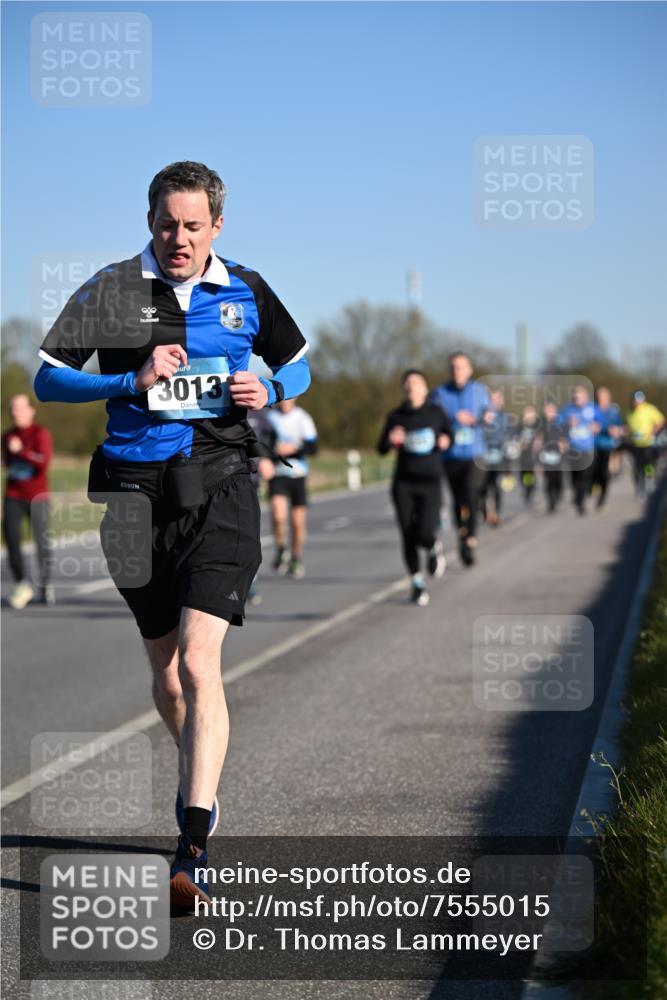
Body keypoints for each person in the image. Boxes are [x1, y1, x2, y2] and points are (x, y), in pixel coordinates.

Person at [33, 161, 310, 909]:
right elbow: (48, 379)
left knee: (197, 662)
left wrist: (273, 387)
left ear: (217, 225)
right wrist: (129, 381)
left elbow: (300, 365)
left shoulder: (246, 288)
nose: (178, 238)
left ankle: (192, 842)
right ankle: (201, 776)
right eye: (166, 224)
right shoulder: (112, 288)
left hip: (220, 485)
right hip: (129, 495)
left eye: (192, 226)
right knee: (164, 673)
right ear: (149, 220)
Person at [377, 369, 451, 606]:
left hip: (430, 482)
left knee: (424, 531)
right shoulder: (396, 416)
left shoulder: (436, 413)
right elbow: (380, 449)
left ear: (425, 388)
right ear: (403, 389)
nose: (411, 387)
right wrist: (390, 439)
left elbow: (451, 435)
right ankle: (417, 583)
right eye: (407, 383)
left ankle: (432, 546)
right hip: (404, 484)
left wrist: (445, 440)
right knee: (407, 534)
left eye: (416, 383)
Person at [431, 353, 490, 566]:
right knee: (457, 500)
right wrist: (451, 422)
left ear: (470, 370)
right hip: (451, 456)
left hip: (475, 454)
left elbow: (488, 415)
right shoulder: (439, 393)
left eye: (461, 367)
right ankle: (462, 534)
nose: (457, 371)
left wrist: (480, 419)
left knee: (471, 494)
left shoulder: (480, 391)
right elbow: (431, 418)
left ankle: (471, 540)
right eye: (453, 367)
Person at [2, 394, 54, 607]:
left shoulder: (40, 433)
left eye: (20, 408)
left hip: (37, 496)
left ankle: (44, 583)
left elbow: (43, 462)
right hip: (13, 494)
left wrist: (21, 451)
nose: (16, 413)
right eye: (13, 409)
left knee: (41, 542)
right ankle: (21, 583)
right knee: (11, 537)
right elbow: (6, 462)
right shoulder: (7, 436)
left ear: (31, 410)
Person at [266, 397, 318, 578]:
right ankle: (281, 549)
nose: (286, 402)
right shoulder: (270, 417)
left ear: (295, 398)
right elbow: (261, 443)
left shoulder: (303, 418)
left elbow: (313, 448)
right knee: (278, 516)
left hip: (298, 475)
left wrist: (293, 449)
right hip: (277, 474)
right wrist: (272, 451)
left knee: (297, 523)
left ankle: (296, 557)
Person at [558, 385, 599, 515]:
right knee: (573, 477)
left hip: (587, 449)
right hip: (572, 449)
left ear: (586, 396)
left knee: (585, 476)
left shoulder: (593, 408)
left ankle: (580, 502)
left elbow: (602, 422)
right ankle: (577, 497)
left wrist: (597, 426)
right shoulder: (567, 409)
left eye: (579, 396)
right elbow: (558, 424)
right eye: (575, 396)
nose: (577, 399)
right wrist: (567, 424)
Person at [478, 388, 510, 527]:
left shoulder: (505, 417)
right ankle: (485, 511)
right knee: (483, 487)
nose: (496, 401)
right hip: (483, 457)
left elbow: (508, 437)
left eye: (498, 399)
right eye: (493, 399)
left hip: (499, 458)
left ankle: (496, 513)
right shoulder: (481, 415)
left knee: (496, 486)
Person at [626, 390, 665, 497]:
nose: (636, 403)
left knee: (648, 464)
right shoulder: (630, 412)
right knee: (636, 467)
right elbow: (628, 427)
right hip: (635, 444)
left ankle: (649, 480)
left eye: (638, 400)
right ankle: (639, 486)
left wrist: (652, 431)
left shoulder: (649, 409)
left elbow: (660, 421)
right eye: (635, 400)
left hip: (647, 443)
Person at [591, 386, 624, 510]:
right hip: (593, 445)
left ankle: (602, 500)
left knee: (605, 473)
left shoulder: (613, 412)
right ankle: (594, 486)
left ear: (609, 397)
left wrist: (617, 430)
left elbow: (622, 427)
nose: (601, 399)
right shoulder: (592, 410)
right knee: (593, 471)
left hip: (607, 446)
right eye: (599, 396)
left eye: (604, 396)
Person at [537, 401, 568, 513]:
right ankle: (551, 503)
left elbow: (565, 439)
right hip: (546, 456)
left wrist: (563, 445)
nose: (550, 413)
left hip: (558, 456)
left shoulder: (561, 424)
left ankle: (558, 494)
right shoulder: (541, 424)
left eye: (552, 410)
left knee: (558, 479)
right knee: (548, 480)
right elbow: (538, 440)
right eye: (547, 410)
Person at [517, 404, 540, 507]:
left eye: (531, 413)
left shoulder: (538, 426)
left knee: (531, 475)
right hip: (524, 455)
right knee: (524, 475)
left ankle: (529, 491)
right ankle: (527, 489)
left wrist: (538, 441)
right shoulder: (520, 426)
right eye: (527, 413)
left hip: (534, 456)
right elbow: (516, 439)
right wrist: (520, 443)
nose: (529, 416)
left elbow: (542, 438)